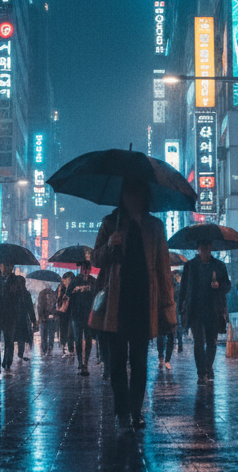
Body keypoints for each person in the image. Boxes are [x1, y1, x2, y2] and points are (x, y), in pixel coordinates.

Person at [91, 178, 176, 430]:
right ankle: (121, 411)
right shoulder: (110, 223)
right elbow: (95, 258)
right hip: (116, 304)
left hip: (143, 302)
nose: (132, 199)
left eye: (137, 193)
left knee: (139, 361)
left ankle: (136, 410)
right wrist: (109, 245)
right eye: (128, 194)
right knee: (116, 362)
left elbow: (163, 267)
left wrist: (166, 306)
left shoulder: (155, 226)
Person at [177, 242, 231, 384]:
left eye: (207, 248)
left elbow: (227, 285)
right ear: (198, 249)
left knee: (211, 342)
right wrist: (181, 306)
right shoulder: (190, 266)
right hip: (195, 310)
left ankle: (208, 367)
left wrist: (219, 285)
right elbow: (184, 287)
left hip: (214, 310)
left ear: (211, 248)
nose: (205, 251)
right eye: (202, 248)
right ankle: (202, 372)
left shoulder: (219, 265)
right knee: (199, 342)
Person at [68, 261, 97, 375]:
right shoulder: (74, 281)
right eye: (84, 268)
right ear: (80, 269)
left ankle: (86, 363)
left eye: (88, 269)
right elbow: (68, 294)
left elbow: (97, 294)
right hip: (77, 314)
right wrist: (75, 290)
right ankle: (80, 361)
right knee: (78, 339)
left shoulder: (93, 281)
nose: (86, 271)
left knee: (88, 338)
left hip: (89, 314)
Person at [15, 277, 38, 361]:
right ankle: (20, 354)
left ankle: (13, 356)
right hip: (23, 319)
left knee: (14, 337)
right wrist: (33, 321)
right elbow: (30, 308)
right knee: (21, 338)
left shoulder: (13, 293)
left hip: (14, 319)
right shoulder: (26, 293)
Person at [36, 283, 59, 355]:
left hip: (49, 318)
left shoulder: (53, 294)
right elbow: (39, 306)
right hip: (45, 318)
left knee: (48, 334)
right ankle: (46, 349)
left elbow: (55, 305)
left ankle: (47, 349)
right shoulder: (43, 294)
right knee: (45, 334)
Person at [56, 272, 75, 357]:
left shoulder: (74, 288)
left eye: (68, 280)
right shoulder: (61, 288)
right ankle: (63, 347)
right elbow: (58, 300)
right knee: (63, 330)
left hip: (71, 312)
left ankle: (70, 349)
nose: (66, 281)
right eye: (65, 280)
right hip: (63, 313)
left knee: (70, 331)